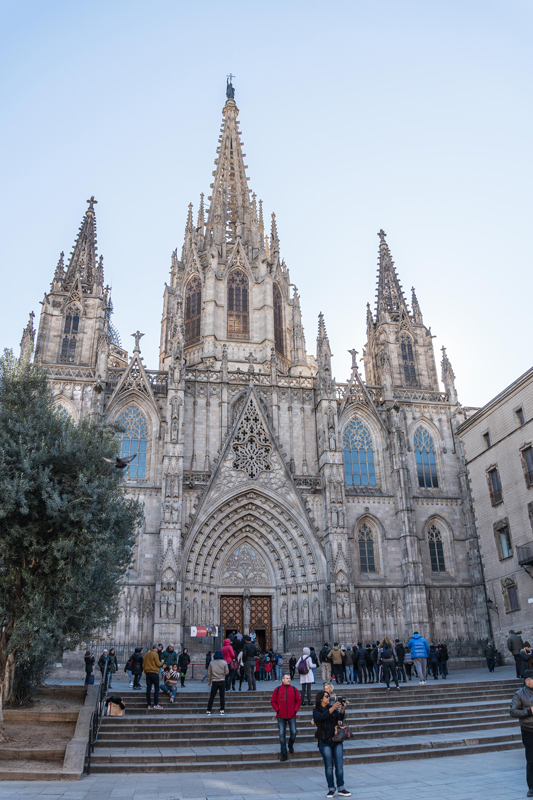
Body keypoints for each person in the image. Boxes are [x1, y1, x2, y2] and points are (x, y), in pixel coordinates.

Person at [313, 689, 351, 798]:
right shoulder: (316, 711)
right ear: (321, 699)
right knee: (329, 766)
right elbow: (320, 718)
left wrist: (342, 708)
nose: (328, 698)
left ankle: (341, 788)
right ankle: (331, 788)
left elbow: (340, 718)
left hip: (336, 740)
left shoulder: (332, 709)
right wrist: (332, 708)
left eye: (329, 696)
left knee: (339, 765)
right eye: (326, 696)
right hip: (324, 741)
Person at [510, 668, 533, 797]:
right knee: (531, 760)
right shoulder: (519, 694)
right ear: (527, 681)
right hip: (529, 730)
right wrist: (529, 711)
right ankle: (532, 787)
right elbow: (513, 711)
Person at [271, 672, 301, 761]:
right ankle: (284, 753)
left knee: (294, 732)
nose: (288, 680)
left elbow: (298, 700)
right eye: (287, 678)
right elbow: (273, 701)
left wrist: (295, 710)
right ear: (282, 680)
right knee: (281, 734)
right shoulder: (278, 689)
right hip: (281, 715)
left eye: (289, 678)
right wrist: (277, 709)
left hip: (292, 715)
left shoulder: (294, 689)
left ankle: (290, 744)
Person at [206, 650, 228, 716]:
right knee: (222, 696)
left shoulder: (211, 663)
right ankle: (222, 710)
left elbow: (209, 673)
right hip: (222, 680)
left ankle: (209, 710)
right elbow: (227, 672)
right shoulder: (224, 662)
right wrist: (222, 674)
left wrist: (209, 681)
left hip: (215, 681)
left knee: (212, 696)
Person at [143, 645, 164, 709]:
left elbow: (143, 665)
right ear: (155, 648)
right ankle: (155, 704)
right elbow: (158, 664)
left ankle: (149, 704)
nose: (158, 650)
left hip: (148, 673)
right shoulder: (155, 654)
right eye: (157, 649)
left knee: (148, 689)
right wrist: (162, 662)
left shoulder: (146, 655)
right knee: (156, 689)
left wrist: (146, 672)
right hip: (154, 673)